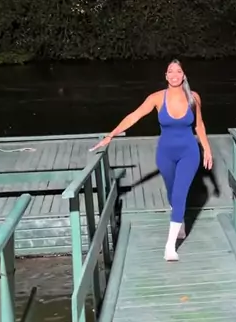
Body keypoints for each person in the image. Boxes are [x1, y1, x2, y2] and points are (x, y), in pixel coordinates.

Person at [90, 59, 213, 261]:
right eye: (170, 71)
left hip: (189, 152)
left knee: (180, 193)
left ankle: (170, 246)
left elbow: (199, 125)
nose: (174, 75)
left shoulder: (193, 97)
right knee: (172, 193)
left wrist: (207, 149)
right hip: (165, 154)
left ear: (183, 75)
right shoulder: (157, 98)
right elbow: (134, 116)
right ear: (166, 76)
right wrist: (111, 135)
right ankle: (179, 217)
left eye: (178, 71)